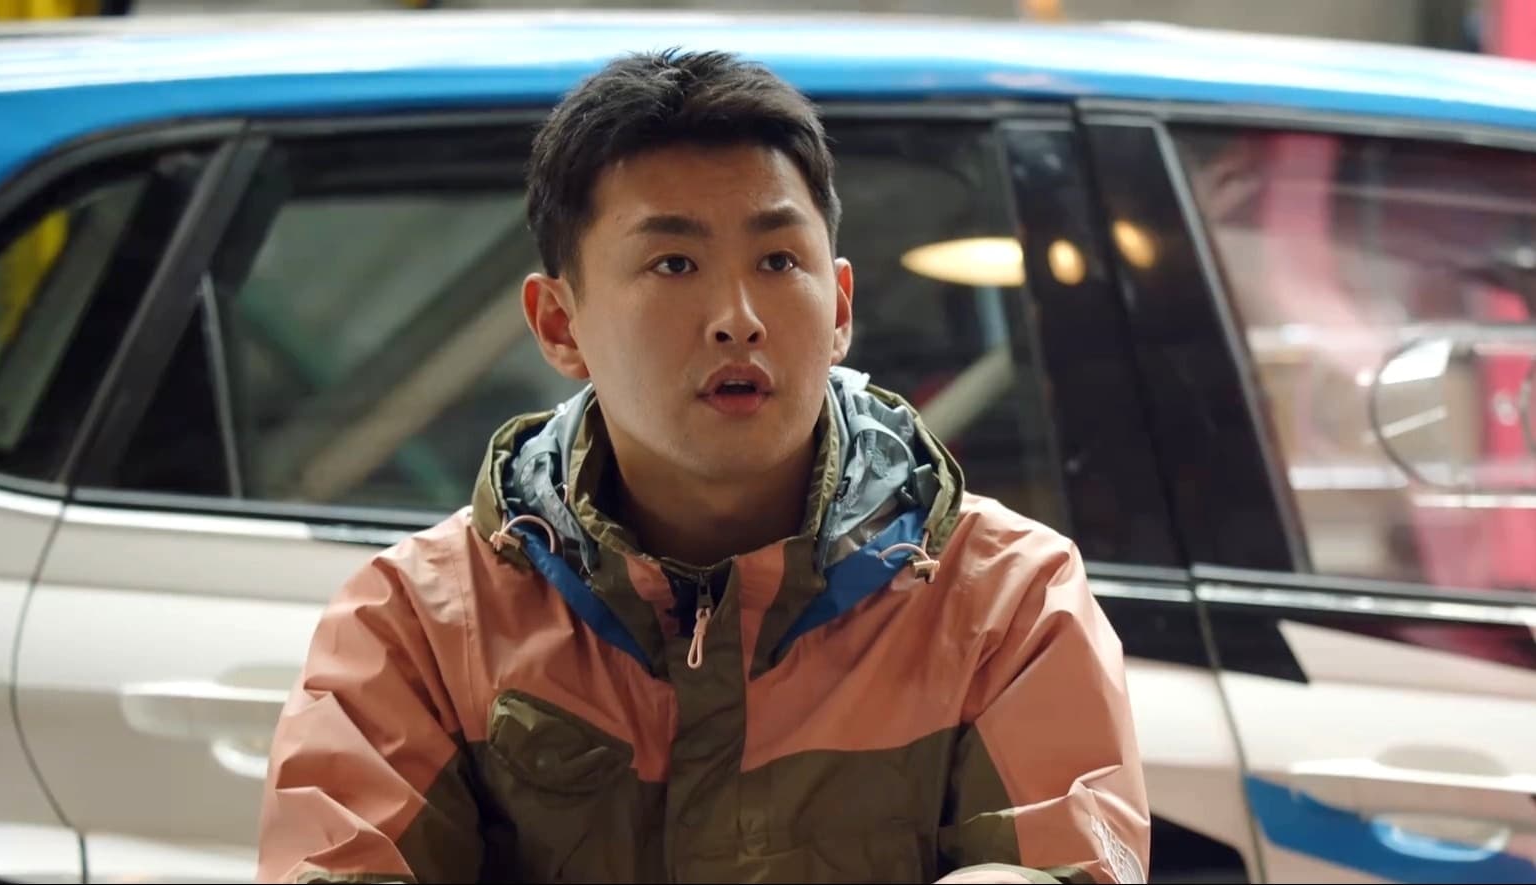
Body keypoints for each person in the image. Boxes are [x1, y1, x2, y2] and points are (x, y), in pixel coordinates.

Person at [256, 48, 1150, 885]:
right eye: (674, 262)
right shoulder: (419, 623)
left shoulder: (1004, 602)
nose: (737, 317)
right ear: (559, 324)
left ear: (839, 307)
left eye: (778, 260)